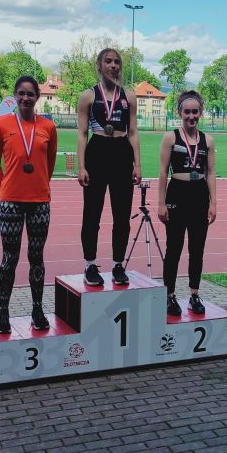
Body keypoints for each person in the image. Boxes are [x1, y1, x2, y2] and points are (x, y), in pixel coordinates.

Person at [0, 75, 58, 334]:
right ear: (14, 96)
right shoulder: (2, 125)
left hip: (40, 201)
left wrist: (39, 185)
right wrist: (5, 190)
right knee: (9, 258)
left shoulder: (48, 127)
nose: (26, 98)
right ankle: (3, 311)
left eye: (30, 94)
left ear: (37, 97)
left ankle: (37, 309)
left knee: (36, 258)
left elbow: (49, 164)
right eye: (21, 93)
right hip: (10, 203)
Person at [77, 48, 141, 286]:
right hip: (97, 151)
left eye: (117, 62)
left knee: (122, 215)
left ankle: (117, 264)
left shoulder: (129, 96)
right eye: (108, 61)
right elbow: (82, 133)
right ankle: (90, 264)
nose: (113, 66)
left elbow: (133, 132)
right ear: (99, 65)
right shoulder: (88, 96)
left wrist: (137, 164)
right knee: (92, 213)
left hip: (122, 152)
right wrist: (82, 166)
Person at [157, 91, 217, 316]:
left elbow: (211, 173)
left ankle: (194, 294)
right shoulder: (170, 137)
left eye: (195, 112)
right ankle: (169, 295)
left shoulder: (207, 140)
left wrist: (214, 203)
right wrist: (161, 203)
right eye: (187, 112)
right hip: (177, 194)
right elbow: (162, 172)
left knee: (197, 249)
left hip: (199, 195)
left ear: (200, 113)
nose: (191, 116)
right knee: (173, 248)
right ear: (180, 113)